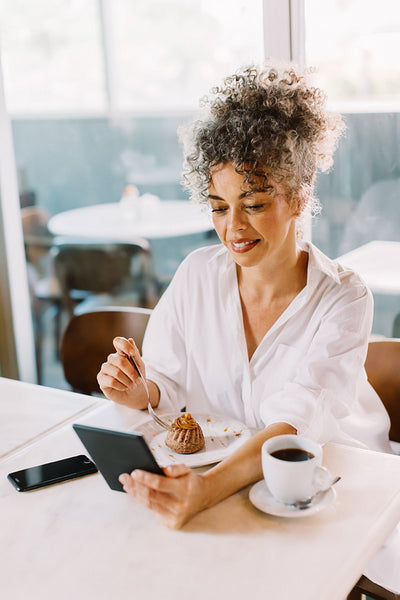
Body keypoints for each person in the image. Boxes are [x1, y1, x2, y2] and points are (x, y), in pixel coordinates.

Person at [97, 63, 392, 530]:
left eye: (254, 204)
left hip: (334, 489)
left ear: (298, 197)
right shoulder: (195, 276)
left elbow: (294, 426)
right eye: (219, 207)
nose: (233, 228)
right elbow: (169, 390)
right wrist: (140, 392)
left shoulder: (344, 298)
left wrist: (206, 490)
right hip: (233, 485)